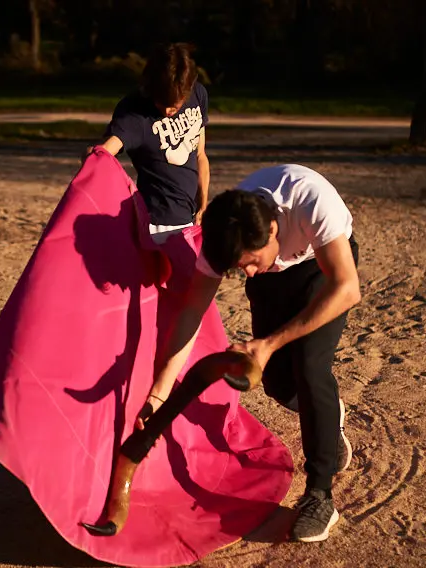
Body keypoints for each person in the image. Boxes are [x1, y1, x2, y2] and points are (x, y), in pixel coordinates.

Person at [137, 163, 362, 543]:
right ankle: (327, 414)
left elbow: (347, 288)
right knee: (276, 384)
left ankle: (320, 495)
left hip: (319, 268)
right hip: (277, 278)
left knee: (310, 367)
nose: (248, 274)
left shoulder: (309, 199)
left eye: (249, 262)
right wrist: (159, 394)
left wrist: (269, 344)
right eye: (240, 268)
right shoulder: (223, 236)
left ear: (273, 229)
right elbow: (191, 313)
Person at [85, 42, 211, 240]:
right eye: (162, 103)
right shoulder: (135, 112)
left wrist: (203, 203)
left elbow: (200, 154)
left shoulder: (198, 95)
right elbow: (106, 151)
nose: (168, 111)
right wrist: (93, 155)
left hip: (191, 220)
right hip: (156, 225)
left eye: (175, 106)